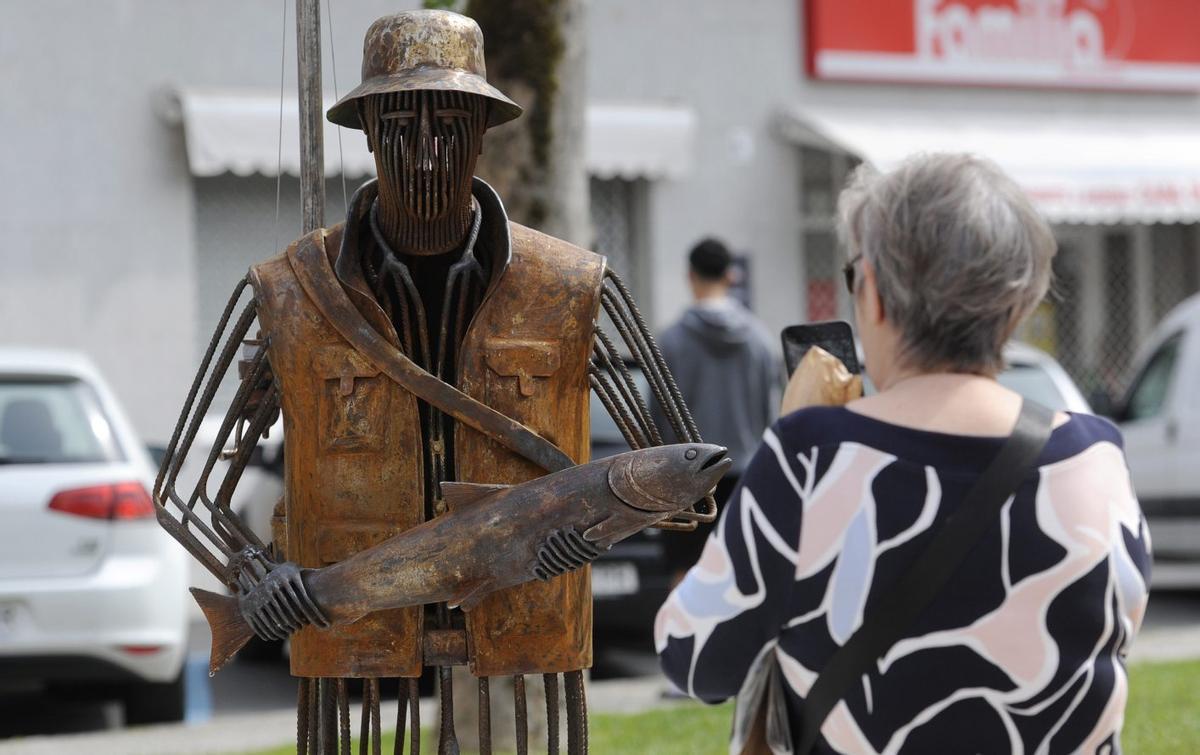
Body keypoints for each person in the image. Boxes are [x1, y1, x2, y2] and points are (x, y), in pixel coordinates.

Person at [655, 154, 1151, 753]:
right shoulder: (1095, 457)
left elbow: (693, 657)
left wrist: (796, 434)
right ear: (1018, 306)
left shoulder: (809, 456)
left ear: (879, 299)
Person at [654, 238, 781, 583]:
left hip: (685, 475)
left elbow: (657, 420)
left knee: (685, 576)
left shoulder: (671, 341)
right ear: (730, 275)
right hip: (745, 475)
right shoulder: (761, 340)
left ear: (690, 276)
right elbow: (771, 416)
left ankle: (684, 640)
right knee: (743, 576)